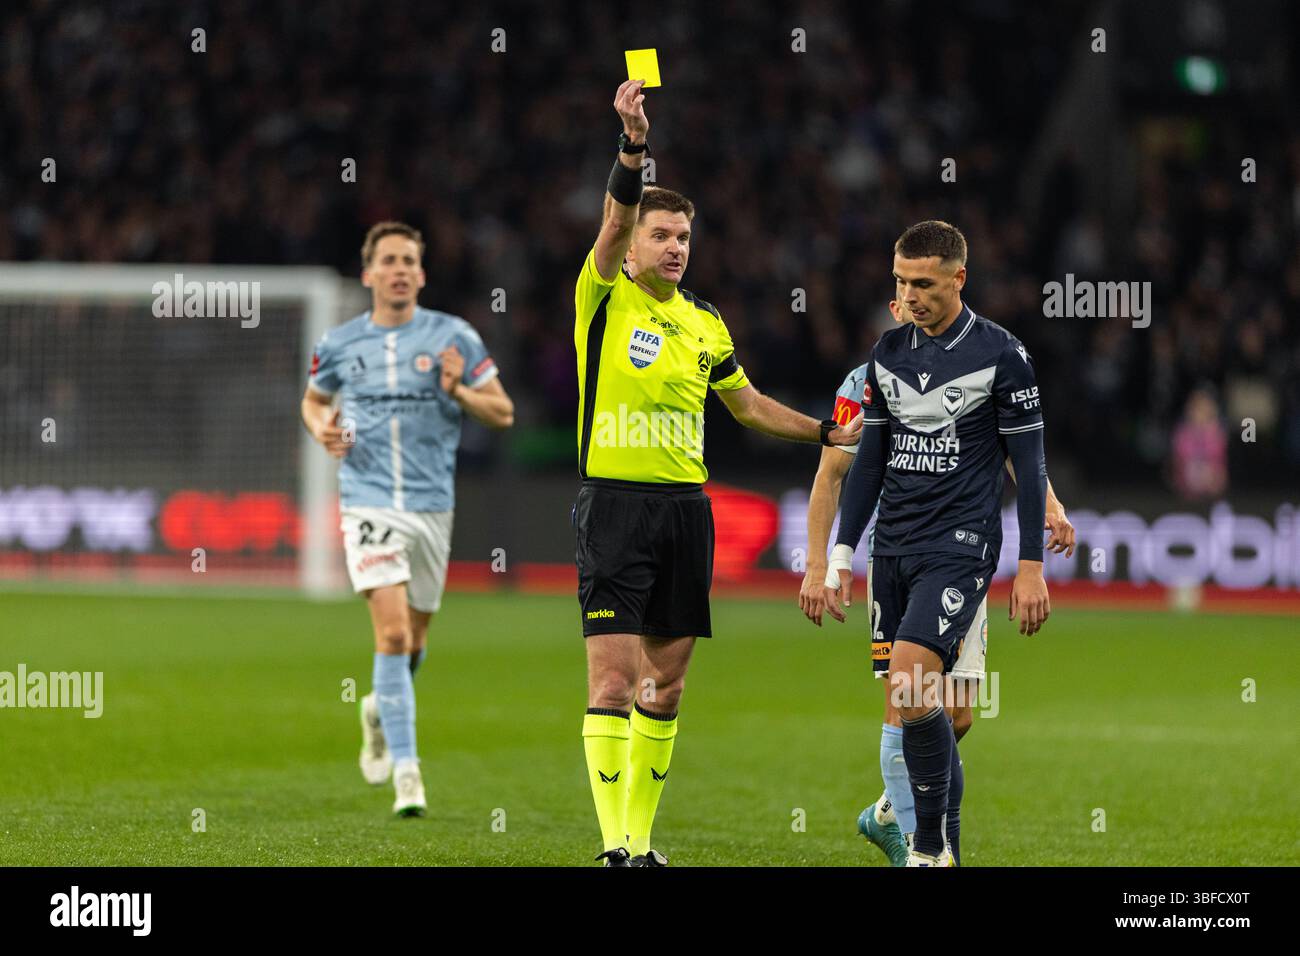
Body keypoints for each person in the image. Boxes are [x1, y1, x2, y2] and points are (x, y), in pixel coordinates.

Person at [574, 80, 862, 866]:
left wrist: (828, 433)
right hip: (616, 508)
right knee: (610, 682)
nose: (673, 247)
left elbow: (748, 406)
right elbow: (610, 217)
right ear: (631, 243)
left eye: (683, 238)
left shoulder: (704, 321)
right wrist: (633, 144)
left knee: (665, 688)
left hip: (684, 513)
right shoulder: (603, 298)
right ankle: (611, 849)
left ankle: (639, 843)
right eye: (659, 234)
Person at [800, 300, 1075, 865]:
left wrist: (1048, 504)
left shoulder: (985, 360)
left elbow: (1009, 447)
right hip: (900, 553)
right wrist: (821, 561)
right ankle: (925, 847)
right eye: (901, 291)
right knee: (907, 698)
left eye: (920, 288)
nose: (908, 303)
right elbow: (833, 475)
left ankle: (890, 810)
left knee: (958, 715)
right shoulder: (867, 379)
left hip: (961, 552)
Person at [301, 221, 514, 816]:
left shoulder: (454, 337)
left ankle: (377, 707)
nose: (398, 270)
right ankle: (408, 774)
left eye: (408, 261)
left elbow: (502, 412)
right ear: (369, 274)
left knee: (414, 640)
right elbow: (314, 403)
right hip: (367, 501)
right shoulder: (340, 343)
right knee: (391, 633)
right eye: (388, 260)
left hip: (431, 508)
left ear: (421, 275)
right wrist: (324, 431)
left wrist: (458, 391)